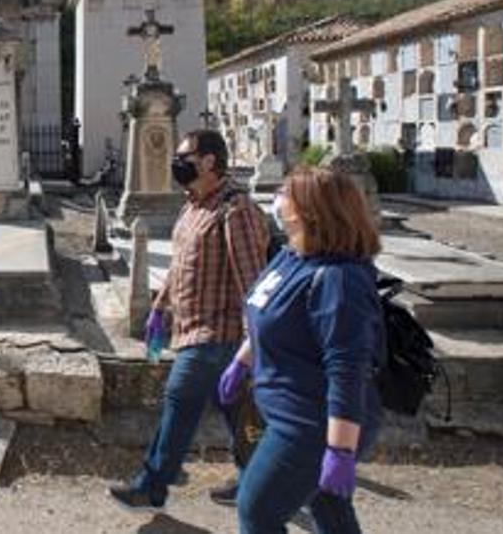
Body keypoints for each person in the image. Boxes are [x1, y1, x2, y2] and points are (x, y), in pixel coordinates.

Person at [217, 167, 385, 534]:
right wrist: (241, 363)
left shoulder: (339, 279)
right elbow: (269, 315)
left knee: (257, 510)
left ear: (312, 209)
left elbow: (346, 369)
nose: (277, 199)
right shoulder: (293, 256)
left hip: (312, 425)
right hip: (285, 410)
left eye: (286, 193)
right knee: (330, 512)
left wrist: (339, 451)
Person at [109, 129, 269, 509]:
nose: (177, 163)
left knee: (179, 399)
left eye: (186, 157)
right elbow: (181, 266)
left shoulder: (235, 209)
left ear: (210, 161)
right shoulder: (192, 205)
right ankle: (259, 479)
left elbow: (253, 280)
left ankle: (152, 485)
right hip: (191, 328)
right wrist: (159, 309)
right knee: (236, 411)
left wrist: (255, 343)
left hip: (220, 332)